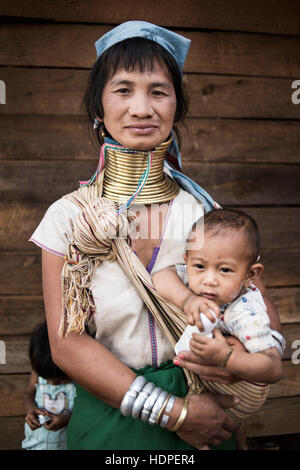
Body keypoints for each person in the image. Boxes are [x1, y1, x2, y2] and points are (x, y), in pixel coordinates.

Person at [29, 21, 285, 450]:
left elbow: (259, 312)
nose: (142, 108)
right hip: (112, 409)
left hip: (210, 402)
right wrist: (175, 413)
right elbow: (66, 344)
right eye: (123, 90)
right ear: (99, 106)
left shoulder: (204, 214)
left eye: (159, 91)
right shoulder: (69, 218)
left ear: (176, 107)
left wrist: (237, 364)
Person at [152, 208, 283, 448]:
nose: (209, 280)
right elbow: (160, 277)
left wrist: (227, 358)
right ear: (187, 261)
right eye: (199, 266)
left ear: (250, 275)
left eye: (225, 270)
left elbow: (273, 367)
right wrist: (187, 299)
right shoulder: (196, 279)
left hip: (245, 394)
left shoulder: (244, 312)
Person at [22, 322, 76, 450]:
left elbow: (87, 413)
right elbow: (28, 394)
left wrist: (68, 420)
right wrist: (30, 410)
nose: (52, 384)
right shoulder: (42, 367)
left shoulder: (79, 378)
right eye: (47, 379)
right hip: (35, 445)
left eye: (61, 380)